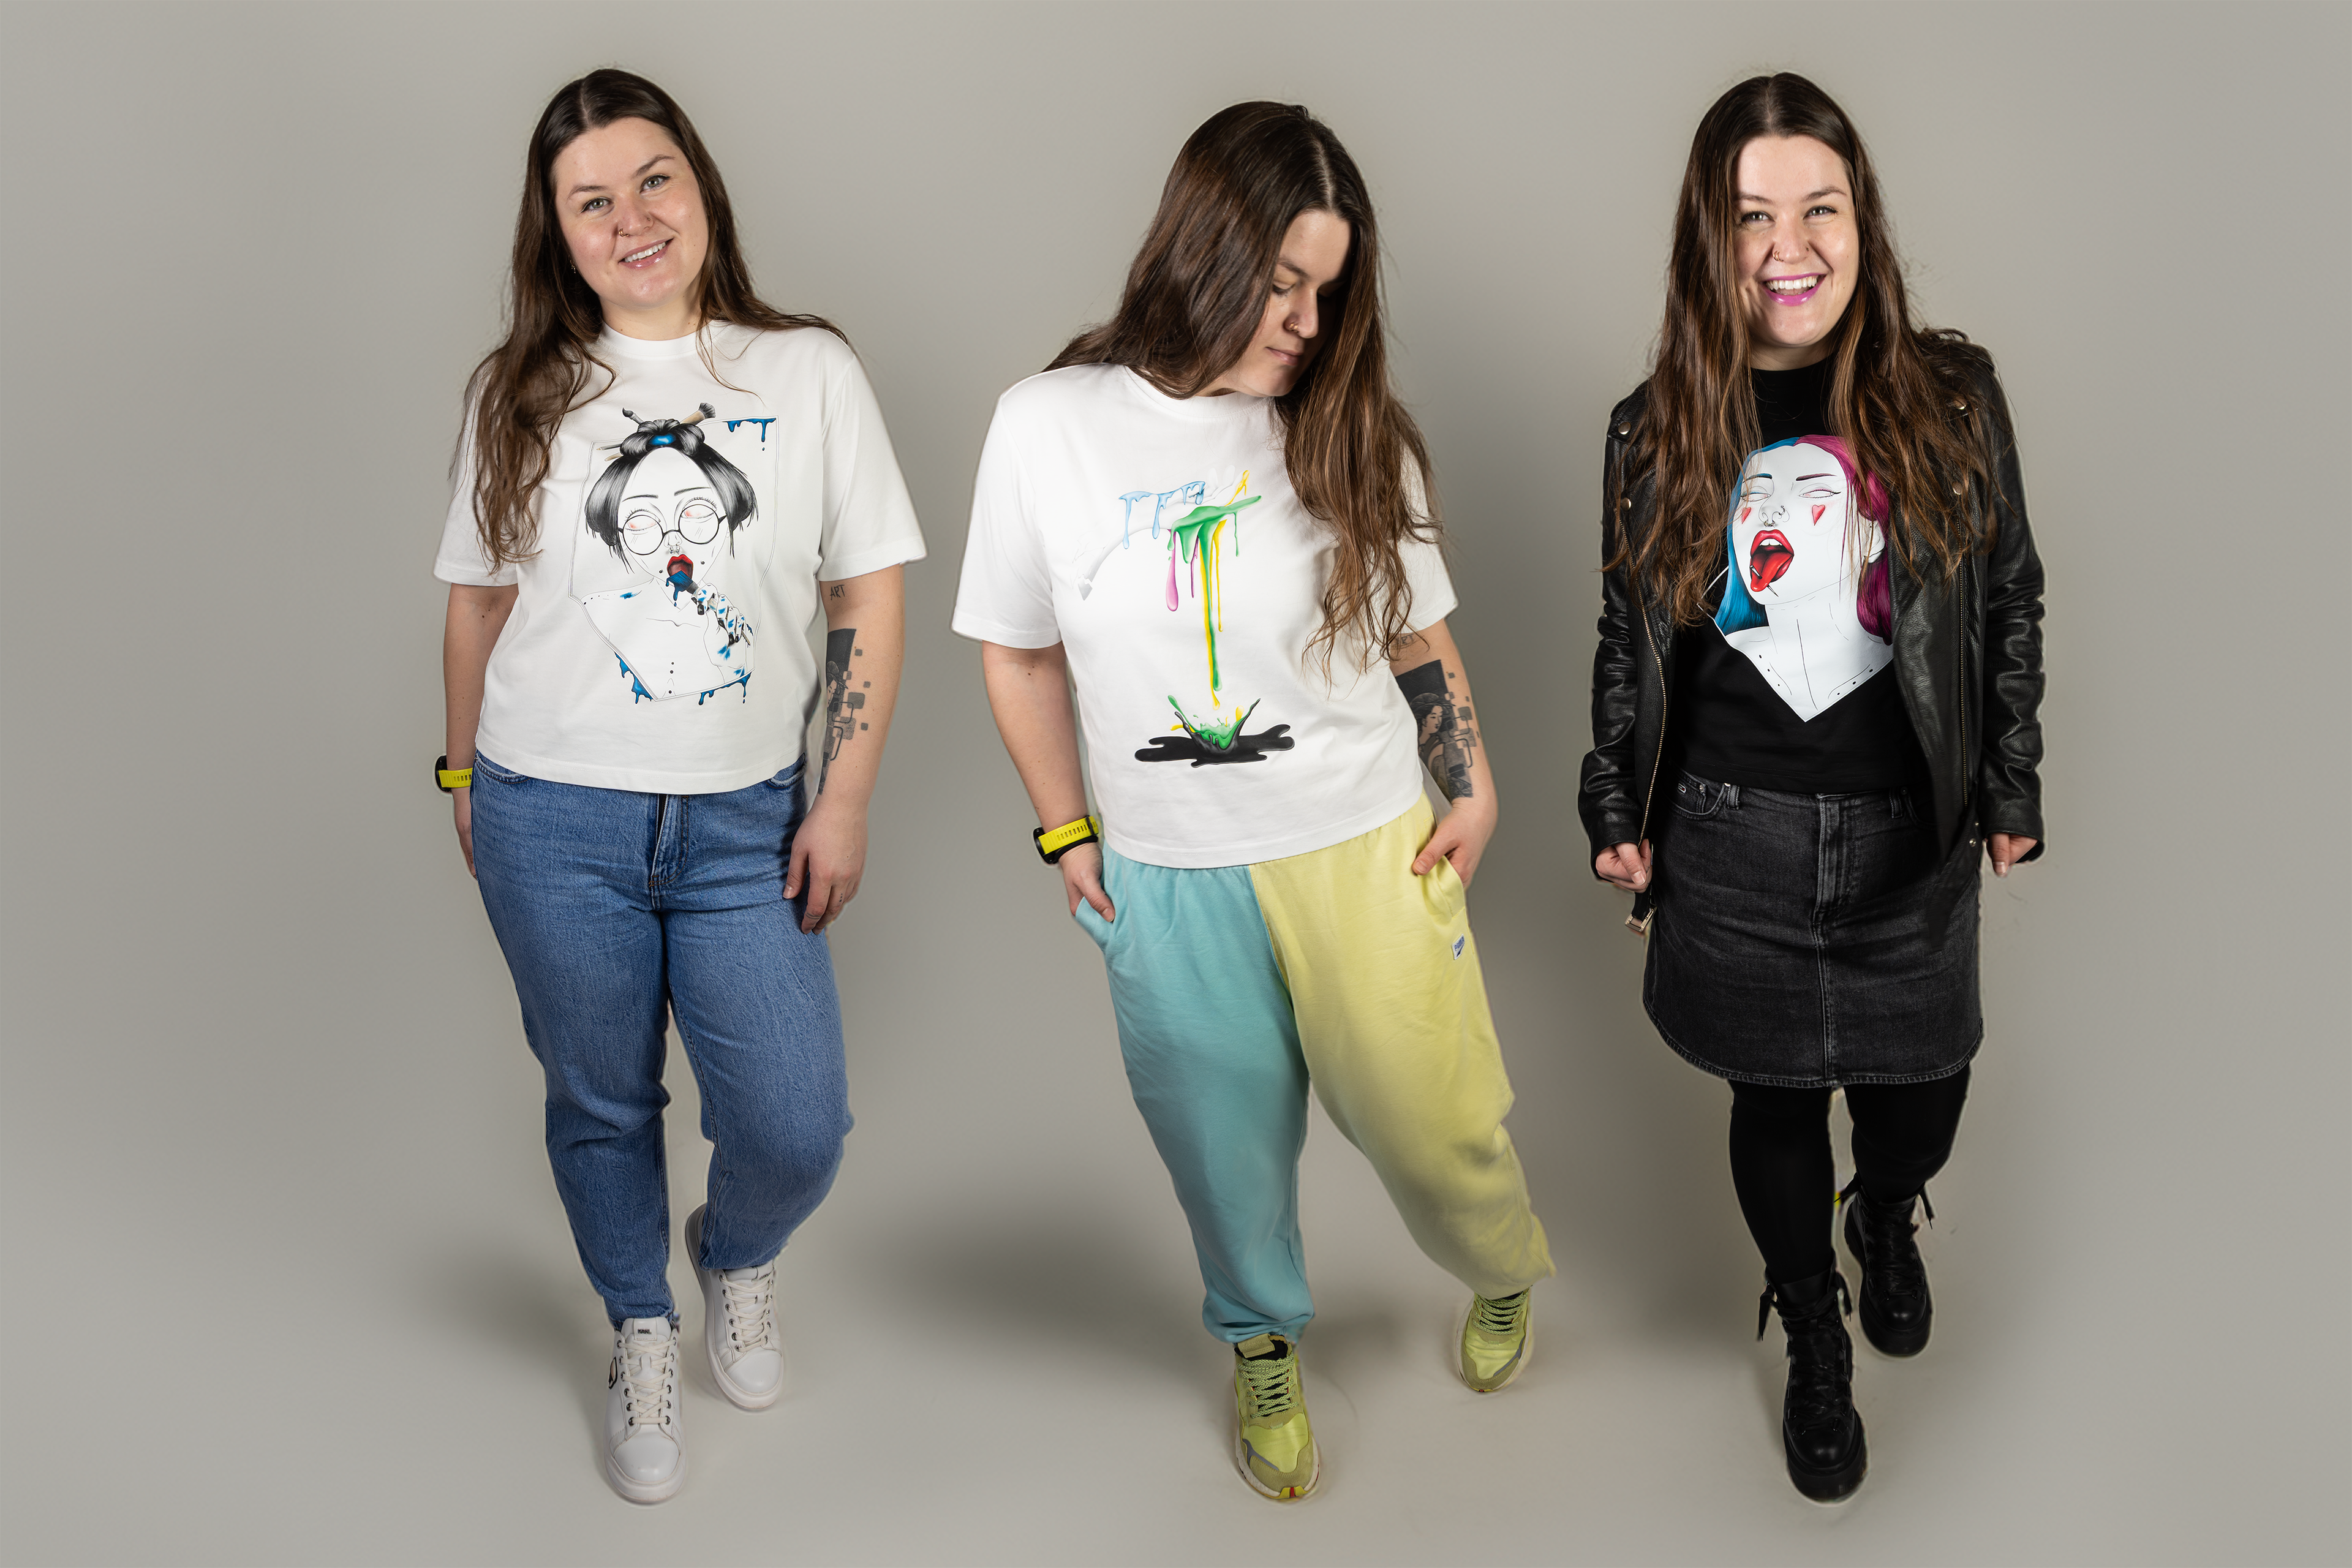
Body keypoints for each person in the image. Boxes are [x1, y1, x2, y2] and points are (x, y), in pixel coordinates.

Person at [954, 101, 1553, 1504]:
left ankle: (1502, 1263)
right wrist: (1068, 831)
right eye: (1283, 280)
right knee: (1220, 1143)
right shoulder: (1048, 426)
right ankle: (1263, 1339)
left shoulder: (1353, 430)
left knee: (1432, 1116)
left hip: (1361, 842)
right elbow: (1017, 651)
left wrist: (1471, 777)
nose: (1304, 319)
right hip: (1170, 871)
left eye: (1328, 290)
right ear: (1201, 247)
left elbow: (1416, 635)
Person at [434, 69, 924, 1504]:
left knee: (794, 1117)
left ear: (700, 185)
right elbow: (475, 606)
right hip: (552, 811)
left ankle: (736, 1254)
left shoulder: (807, 373)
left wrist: (841, 797)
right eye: (592, 201)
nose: (631, 218)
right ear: (558, 233)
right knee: (599, 1096)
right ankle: (641, 1324)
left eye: (654, 180)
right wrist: (462, 768)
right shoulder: (517, 395)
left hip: (745, 818)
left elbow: (868, 596)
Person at [1578, 73, 2046, 1503]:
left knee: (1925, 1092)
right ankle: (1814, 1323)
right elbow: (1629, 633)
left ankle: (1886, 1207)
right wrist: (1615, 806)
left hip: (1913, 830)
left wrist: (2013, 776)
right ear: (1708, 245)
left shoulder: (1952, 393)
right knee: (1772, 1097)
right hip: (1730, 832)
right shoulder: (1657, 425)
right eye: (1752, 215)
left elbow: (2010, 595)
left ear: (1861, 222)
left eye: (1820, 207)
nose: (1791, 244)